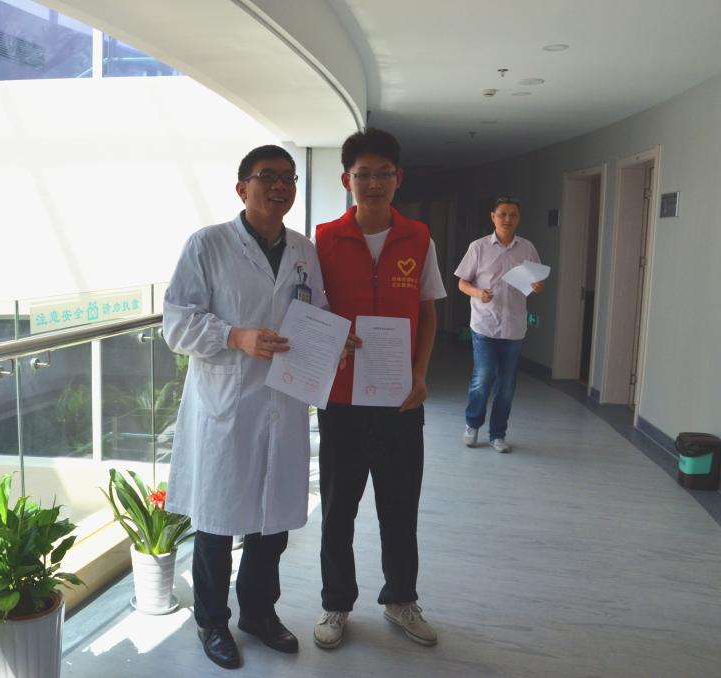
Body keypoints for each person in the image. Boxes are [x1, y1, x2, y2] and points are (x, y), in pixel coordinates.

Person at [163, 144, 328, 670]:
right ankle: (212, 621)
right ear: (242, 188)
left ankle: (258, 613)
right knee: (216, 523)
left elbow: (316, 312)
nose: (280, 186)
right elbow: (176, 324)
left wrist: (331, 341)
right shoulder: (207, 244)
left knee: (271, 524)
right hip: (226, 406)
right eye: (267, 176)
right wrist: (235, 336)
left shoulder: (303, 250)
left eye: (289, 178)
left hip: (283, 400)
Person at [312, 128, 446, 651]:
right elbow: (309, 308)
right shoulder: (324, 239)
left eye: (382, 174)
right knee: (337, 510)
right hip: (341, 398)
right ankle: (336, 604)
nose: (373, 183)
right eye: (362, 174)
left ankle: (400, 599)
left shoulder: (418, 238)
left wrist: (421, 375)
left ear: (398, 179)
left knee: (399, 507)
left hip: (399, 399)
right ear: (346, 179)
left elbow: (428, 312)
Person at [455, 197, 544, 454]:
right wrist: (478, 293)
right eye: (502, 214)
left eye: (513, 214)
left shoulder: (527, 248)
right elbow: (462, 283)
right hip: (484, 324)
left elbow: (536, 284)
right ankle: (472, 424)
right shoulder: (478, 247)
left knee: (506, 385)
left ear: (519, 218)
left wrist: (538, 286)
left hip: (514, 327)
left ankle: (498, 434)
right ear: (492, 216)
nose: (507, 219)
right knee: (483, 378)